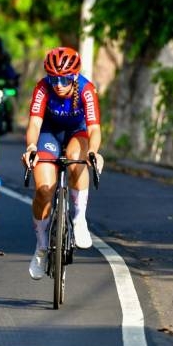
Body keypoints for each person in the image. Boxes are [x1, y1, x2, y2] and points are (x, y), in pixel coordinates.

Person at [22, 47, 105, 279]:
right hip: (49, 133)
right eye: (53, 79)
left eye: (65, 79)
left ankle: (79, 219)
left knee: (77, 159)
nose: (58, 85)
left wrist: (93, 151)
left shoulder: (87, 90)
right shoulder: (42, 87)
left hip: (77, 132)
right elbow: (35, 124)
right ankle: (41, 247)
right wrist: (31, 147)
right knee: (43, 190)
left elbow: (94, 128)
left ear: (75, 76)